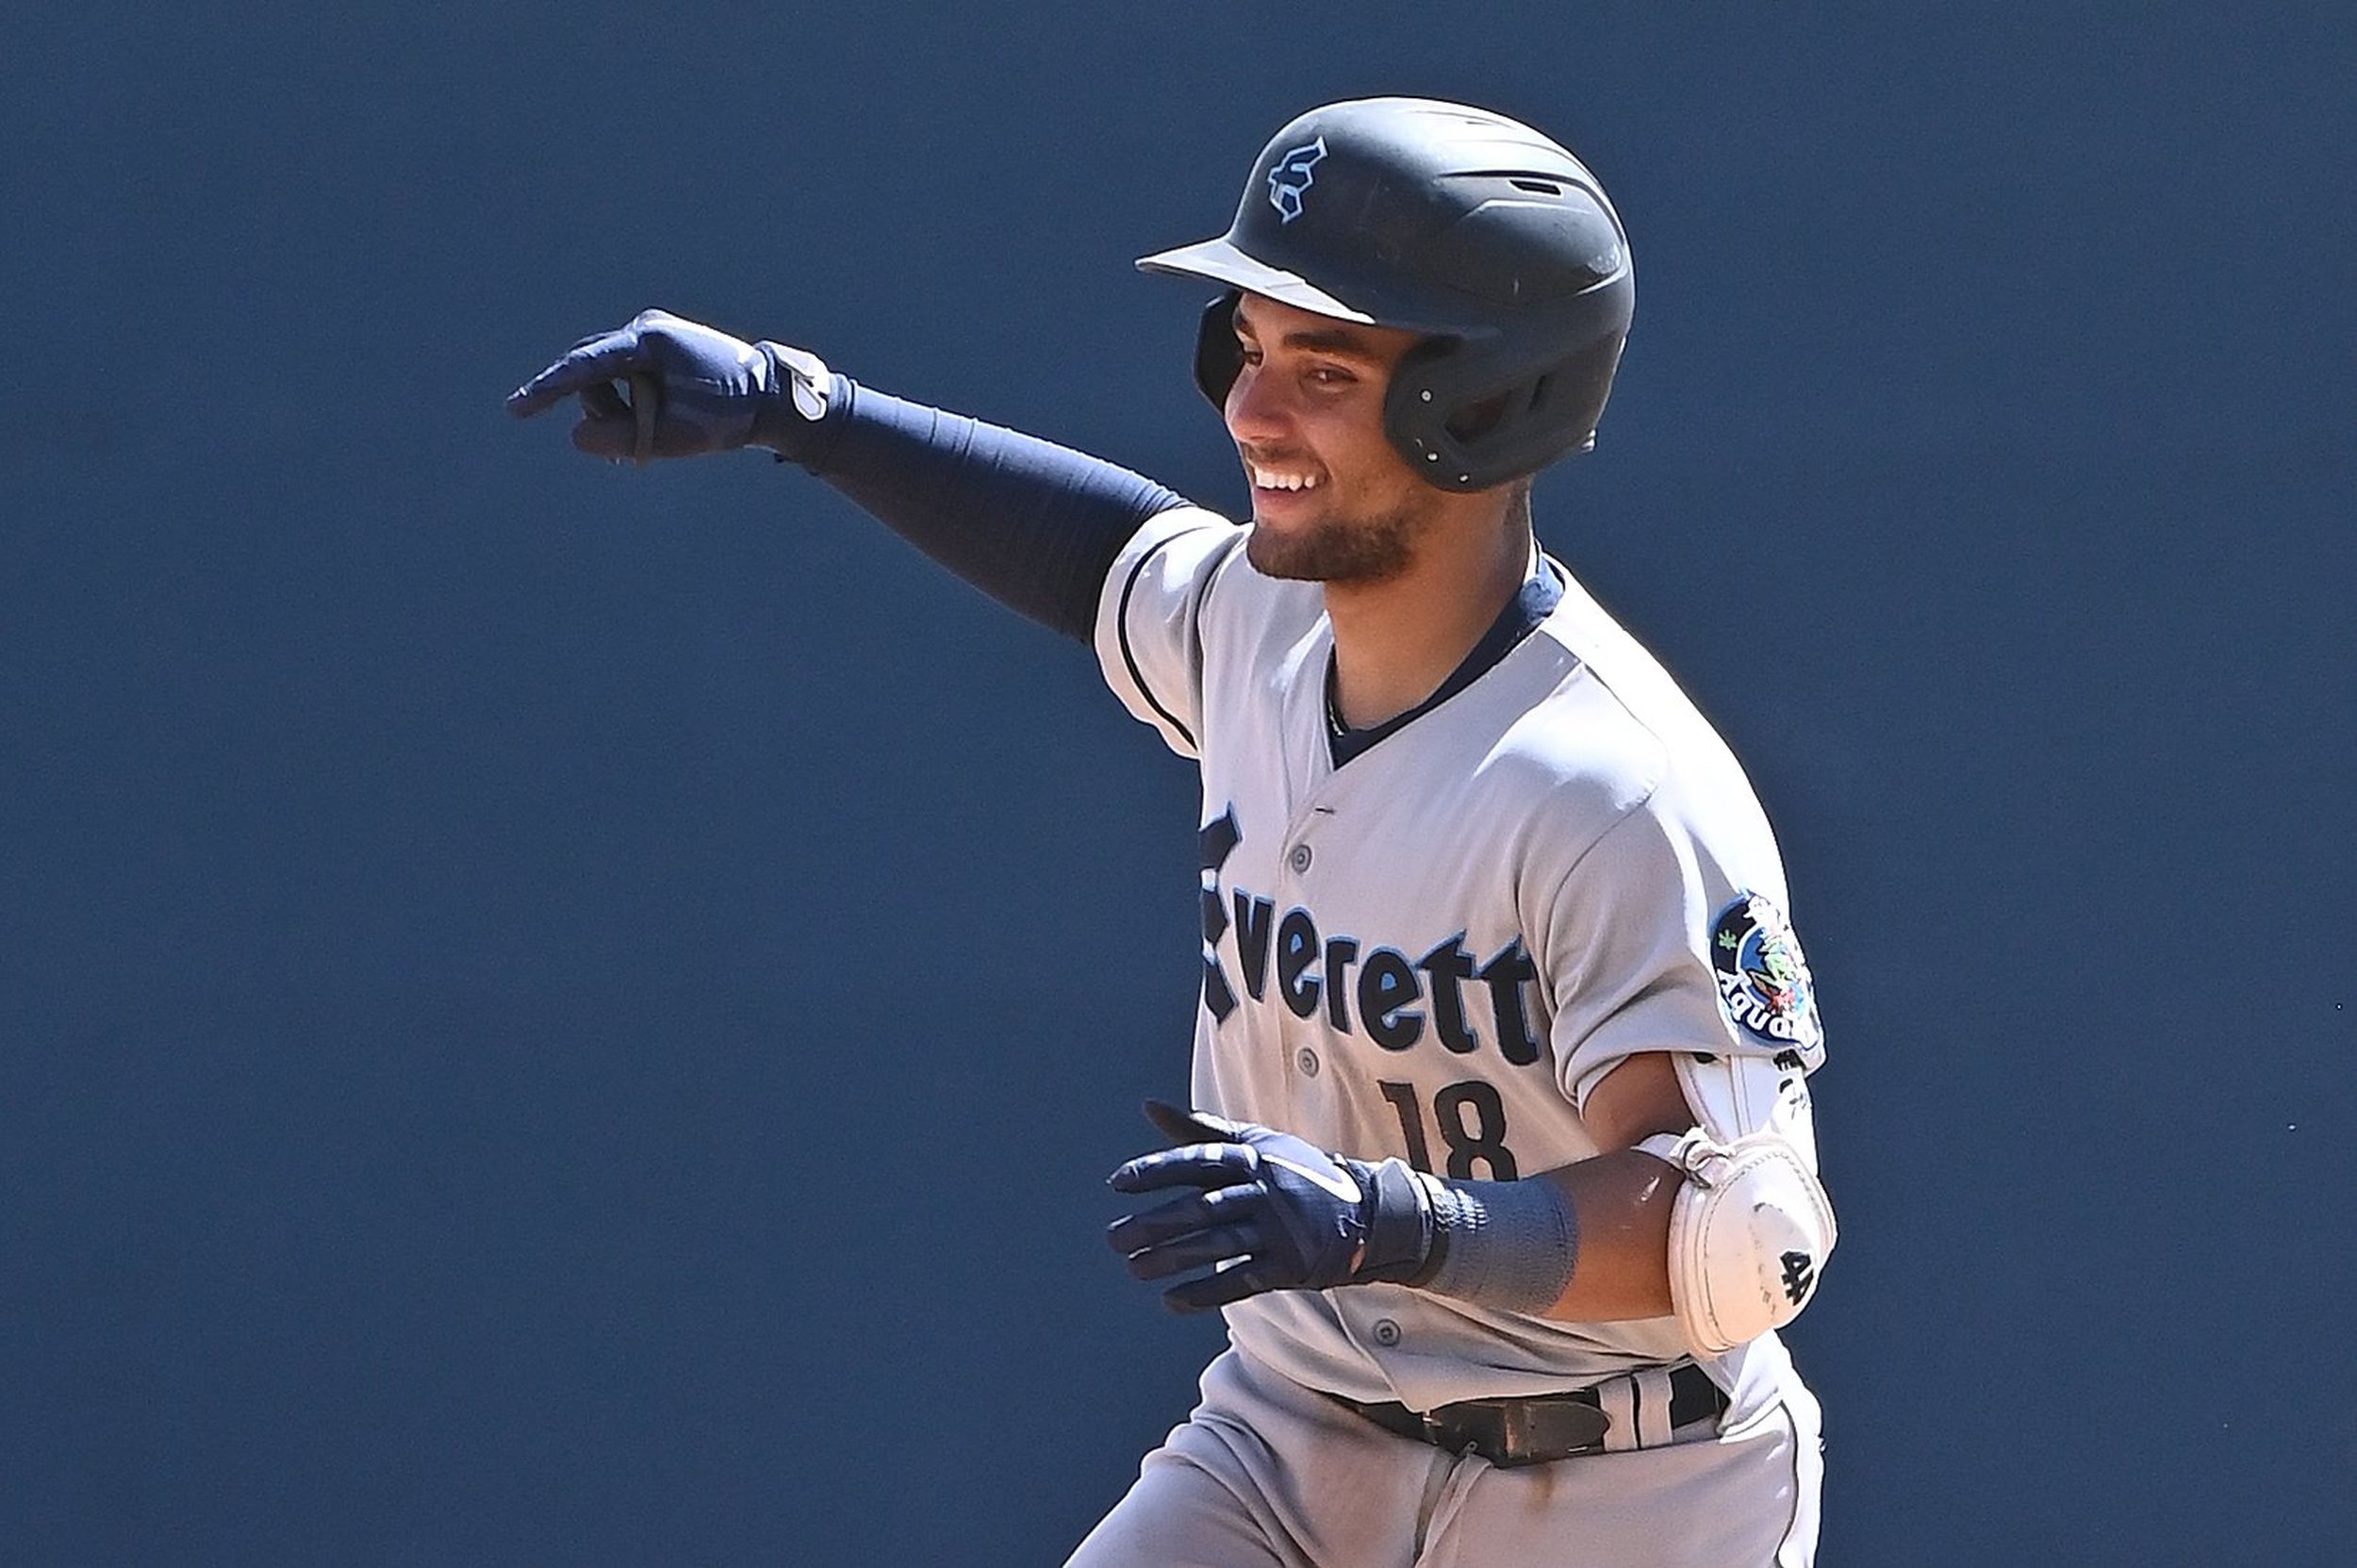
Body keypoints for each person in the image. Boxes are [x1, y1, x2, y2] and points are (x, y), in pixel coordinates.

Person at [510, 96, 1834, 1568]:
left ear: (1485, 400)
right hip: (1291, 1435)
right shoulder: (1263, 632)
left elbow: (1740, 1238)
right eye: (1247, 350)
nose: (1251, 414)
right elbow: (1101, 560)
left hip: (1619, 1491)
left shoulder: (1613, 793)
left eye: (1323, 368)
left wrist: (1397, 1224)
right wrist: (798, 405)